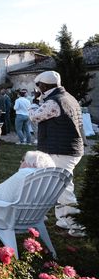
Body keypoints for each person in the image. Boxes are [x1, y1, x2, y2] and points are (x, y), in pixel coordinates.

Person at [28, 70, 85, 235]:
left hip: (62, 150)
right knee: (57, 186)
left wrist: (34, 102)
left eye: (39, 86)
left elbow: (34, 116)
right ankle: (63, 221)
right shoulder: (69, 98)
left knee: (64, 188)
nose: (38, 89)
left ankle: (77, 225)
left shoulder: (54, 102)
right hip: (69, 148)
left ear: (44, 86)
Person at [0, 150, 55, 228]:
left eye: (23, 160)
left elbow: (2, 196)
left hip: (9, 218)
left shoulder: (23, 175)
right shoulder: (49, 179)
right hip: (34, 217)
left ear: (32, 163)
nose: (21, 162)